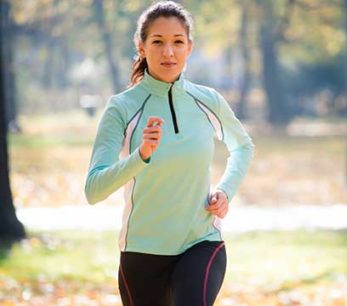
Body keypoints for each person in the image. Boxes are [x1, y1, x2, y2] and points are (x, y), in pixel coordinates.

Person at [84, 1, 254, 305]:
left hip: (201, 241)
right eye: (158, 42)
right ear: (141, 46)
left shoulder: (208, 101)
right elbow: (94, 190)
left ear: (189, 47)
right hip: (141, 251)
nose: (169, 52)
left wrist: (226, 190)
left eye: (177, 42)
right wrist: (140, 155)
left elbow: (242, 146)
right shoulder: (122, 108)